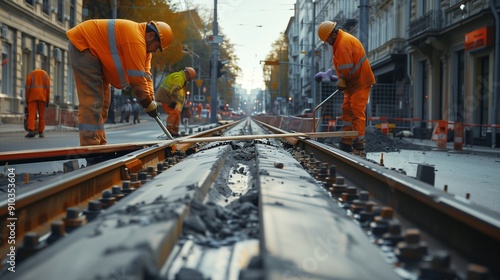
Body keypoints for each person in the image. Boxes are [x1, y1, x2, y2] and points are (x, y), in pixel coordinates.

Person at [66, 19, 173, 146]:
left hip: (98, 54)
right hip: (85, 45)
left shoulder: (145, 49)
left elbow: (146, 76)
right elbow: (137, 80)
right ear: (151, 35)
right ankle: (90, 146)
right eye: (157, 46)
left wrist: (151, 101)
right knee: (93, 101)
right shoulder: (136, 40)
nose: (155, 51)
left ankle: (99, 145)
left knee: (104, 103)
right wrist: (147, 103)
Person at [317, 21, 375, 156]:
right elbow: (344, 67)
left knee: (356, 111)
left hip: (359, 81)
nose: (327, 43)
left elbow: (346, 69)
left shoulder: (343, 43)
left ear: (332, 35)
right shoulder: (339, 43)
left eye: (327, 40)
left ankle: (359, 144)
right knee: (346, 110)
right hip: (351, 83)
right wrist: (337, 79)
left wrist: (341, 80)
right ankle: (346, 142)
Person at [155, 67, 196, 137]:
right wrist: (173, 101)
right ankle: (169, 130)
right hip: (166, 97)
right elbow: (174, 90)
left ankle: (175, 131)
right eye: (190, 79)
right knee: (173, 113)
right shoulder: (179, 78)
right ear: (188, 75)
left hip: (168, 97)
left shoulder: (181, 77)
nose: (189, 80)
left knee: (177, 114)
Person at [25, 68, 50, 138]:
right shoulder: (45, 75)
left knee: (31, 115)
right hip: (42, 97)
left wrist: (27, 99)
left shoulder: (30, 75)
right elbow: (48, 89)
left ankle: (31, 131)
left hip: (32, 97)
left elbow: (27, 88)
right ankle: (41, 132)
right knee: (41, 115)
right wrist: (47, 100)